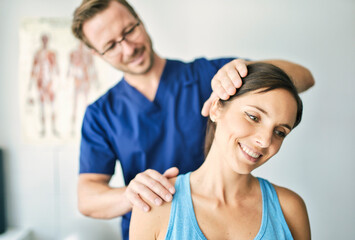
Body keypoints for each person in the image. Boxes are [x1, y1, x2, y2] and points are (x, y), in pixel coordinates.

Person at [71, 0, 314, 239]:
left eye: (129, 31)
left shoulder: (209, 77)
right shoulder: (101, 114)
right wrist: (135, 194)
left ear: (140, 21)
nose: (128, 48)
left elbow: (303, 78)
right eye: (111, 45)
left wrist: (246, 69)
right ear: (96, 53)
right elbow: (88, 198)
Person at [129, 63, 311, 240]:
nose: (264, 141)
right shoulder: (156, 205)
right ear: (216, 108)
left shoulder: (290, 209)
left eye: (280, 132)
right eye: (253, 117)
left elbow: (308, 77)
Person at [28, 34, 60, 137]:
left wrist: (57, 82)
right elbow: (33, 69)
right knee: (42, 106)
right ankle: (43, 129)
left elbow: (56, 69)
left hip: (49, 82)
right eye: (43, 39)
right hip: (40, 82)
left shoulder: (52, 54)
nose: (45, 41)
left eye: (46, 39)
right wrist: (30, 84)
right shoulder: (37, 53)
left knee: (52, 106)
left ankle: (53, 128)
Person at [67, 42, 98, 135]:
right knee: (75, 105)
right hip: (78, 82)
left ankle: (87, 128)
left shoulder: (88, 54)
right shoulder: (74, 53)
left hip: (85, 82)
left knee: (86, 105)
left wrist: (96, 81)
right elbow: (70, 68)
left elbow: (93, 68)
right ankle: (72, 128)